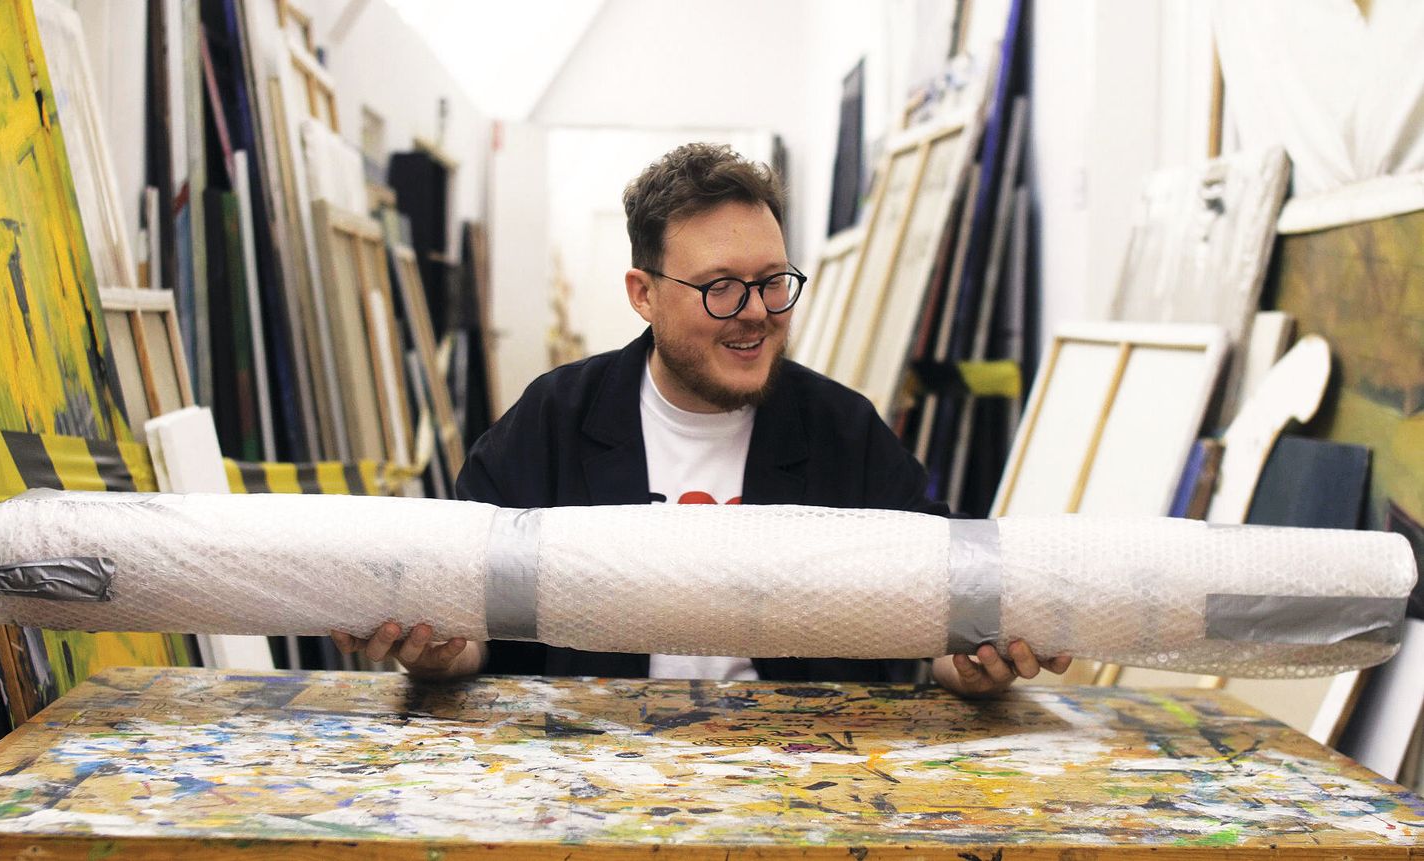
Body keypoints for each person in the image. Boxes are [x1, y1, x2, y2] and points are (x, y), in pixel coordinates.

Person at [332, 143, 1070, 697]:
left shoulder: (842, 432)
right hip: (593, 765)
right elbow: (466, 619)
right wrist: (436, 653)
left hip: (801, 772)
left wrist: (971, 665)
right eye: (721, 288)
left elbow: (937, 605)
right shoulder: (552, 423)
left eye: (773, 282)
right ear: (643, 294)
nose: (756, 313)